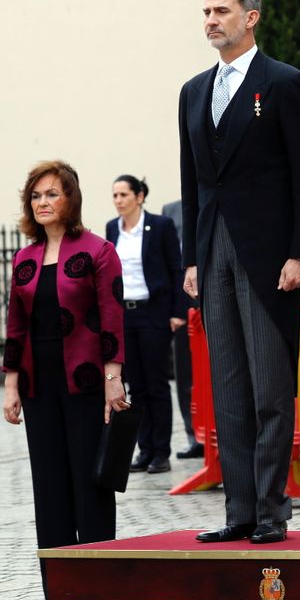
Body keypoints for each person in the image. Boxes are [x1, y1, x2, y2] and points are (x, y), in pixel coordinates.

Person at [179, 0, 300, 544]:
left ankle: (271, 510)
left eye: (221, 10)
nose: (211, 20)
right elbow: (194, 181)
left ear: (252, 17)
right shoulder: (193, 92)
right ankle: (238, 510)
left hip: (269, 257)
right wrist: (194, 257)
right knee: (229, 389)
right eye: (206, 11)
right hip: (212, 250)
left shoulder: (285, 84)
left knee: (270, 388)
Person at [1, 160, 129, 600]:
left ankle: (96, 581)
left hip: (89, 382)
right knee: (49, 484)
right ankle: (59, 586)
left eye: (52, 194)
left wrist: (114, 378)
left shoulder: (98, 250)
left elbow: (113, 317)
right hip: (39, 385)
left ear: (70, 199)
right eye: (36, 196)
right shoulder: (24, 258)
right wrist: (11, 386)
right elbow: (15, 327)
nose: (43, 202)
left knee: (88, 482)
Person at [105, 175, 187, 474]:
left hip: (153, 313)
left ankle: (160, 452)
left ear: (139, 196)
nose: (118, 200)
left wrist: (178, 311)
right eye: (115, 195)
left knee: (156, 384)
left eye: (124, 194)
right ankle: (144, 448)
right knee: (134, 385)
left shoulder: (160, 226)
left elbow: (176, 269)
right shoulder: (112, 229)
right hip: (124, 315)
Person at [161, 198, 204, 459]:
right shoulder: (172, 210)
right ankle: (194, 435)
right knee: (186, 373)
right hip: (184, 304)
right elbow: (171, 264)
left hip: (217, 294)